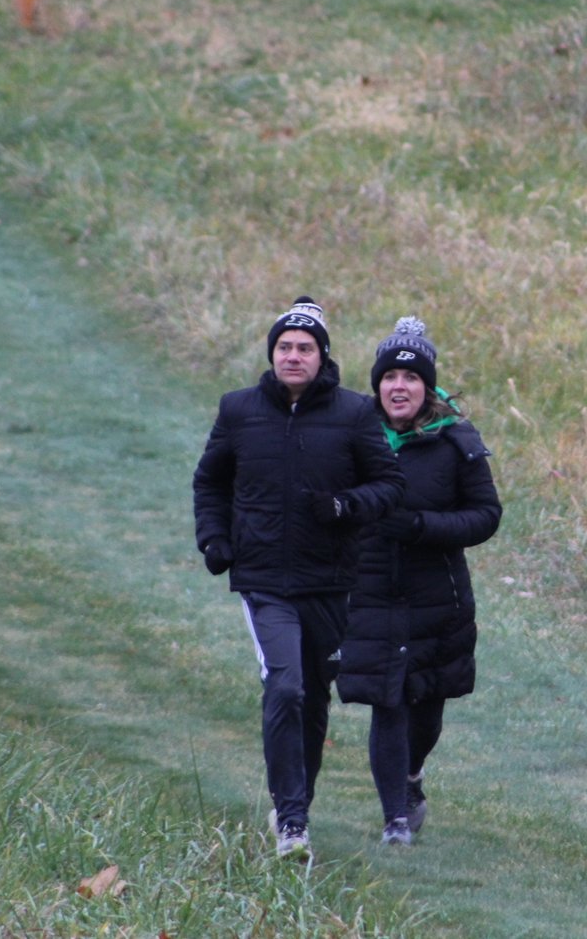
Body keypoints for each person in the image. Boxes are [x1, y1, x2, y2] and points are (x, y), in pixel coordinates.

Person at [192, 296, 405, 861]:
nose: (293, 356)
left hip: (330, 581)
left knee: (312, 699)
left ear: (322, 356)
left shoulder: (354, 413)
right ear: (272, 354)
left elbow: (389, 486)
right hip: (263, 580)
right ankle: (291, 822)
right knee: (285, 687)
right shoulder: (238, 410)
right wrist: (214, 538)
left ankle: (296, 804)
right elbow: (209, 481)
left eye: (305, 348)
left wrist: (343, 505)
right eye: (284, 346)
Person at [337, 316, 502, 846]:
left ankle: (411, 777)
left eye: (411, 378)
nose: (399, 386)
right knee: (388, 702)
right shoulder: (352, 435)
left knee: (426, 707)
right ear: (377, 384)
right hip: (369, 593)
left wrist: (420, 527)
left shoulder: (455, 441)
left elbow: (485, 516)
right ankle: (395, 821)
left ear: (427, 387)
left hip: (437, 598)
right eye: (389, 377)